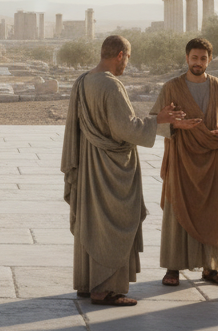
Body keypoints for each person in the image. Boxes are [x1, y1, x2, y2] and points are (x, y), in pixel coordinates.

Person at [63, 35, 184, 306]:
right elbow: (124, 129)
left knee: (92, 222)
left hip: (88, 166)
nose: (127, 64)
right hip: (111, 169)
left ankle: (88, 282)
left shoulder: (82, 81)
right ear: (119, 55)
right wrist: (159, 120)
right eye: (127, 58)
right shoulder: (111, 85)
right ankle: (105, 289)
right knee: (113, 225)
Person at [153, 38, 218, 288]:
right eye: (194, 58)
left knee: (213, 214)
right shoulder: (171, 87)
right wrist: (175, 124)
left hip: (212, 159)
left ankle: (211, 268)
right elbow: (155, 121)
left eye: (203, 58)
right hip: (180, 158)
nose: (198, 62)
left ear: (210, 60)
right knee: (176, 212)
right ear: (186, 58)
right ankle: (172, 267)